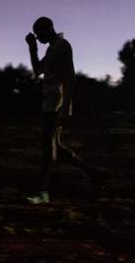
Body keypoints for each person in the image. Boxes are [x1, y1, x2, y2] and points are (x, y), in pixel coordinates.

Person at [25, 16, 106, 204]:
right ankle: (95, 174)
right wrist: (32, 48)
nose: (38, 38)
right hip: (49, 104)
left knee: (48, 147)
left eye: (39, 35)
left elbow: (70, 77)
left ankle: (42, 192)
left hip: (56, 105)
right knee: (57, 147)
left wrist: (66, 107)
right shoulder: (51, 48)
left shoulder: (62, 46)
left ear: (48, 29)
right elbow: (38, 70)